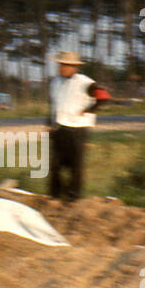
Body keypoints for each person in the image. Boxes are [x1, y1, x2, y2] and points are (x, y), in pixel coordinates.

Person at [47, 51, 107, 201]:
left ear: (75, 67)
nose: (62, 68)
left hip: (78, 130)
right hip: (60, 128)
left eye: (66, 65)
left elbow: (104, 96)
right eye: (61, 65)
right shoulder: (55, 82)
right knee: (55, 165)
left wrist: (89, 110)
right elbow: (54, 105)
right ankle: (54, 196)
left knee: (76, 166)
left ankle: (73, 199)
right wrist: (50, 124)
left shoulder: (85, 83)